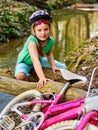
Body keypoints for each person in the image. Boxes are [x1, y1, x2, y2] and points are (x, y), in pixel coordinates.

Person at [15, 10, 66, 88]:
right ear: (34, 31)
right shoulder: (32, 41)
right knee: (20, 76)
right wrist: (42, 77)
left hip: (39, 60)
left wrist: (53, 65)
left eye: (46, 29)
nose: (43, 33)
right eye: (39, 30)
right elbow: (34, 59)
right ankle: (29, 89)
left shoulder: (50, 40)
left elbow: (49, 54)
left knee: (63, 67)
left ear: (49, 29)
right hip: (25, 62)